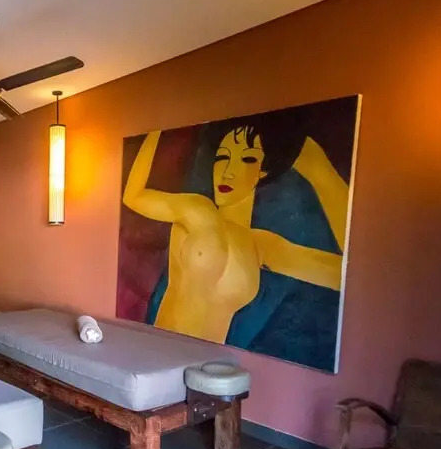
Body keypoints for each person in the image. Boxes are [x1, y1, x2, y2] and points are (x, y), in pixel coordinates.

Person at [122, 120, 348, 344]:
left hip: (206, 363)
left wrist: (319, 170)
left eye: (247, 159)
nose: (227, 172)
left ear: (263, 170)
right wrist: (155, 129)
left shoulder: (261, 246)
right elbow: (133, 196)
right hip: (162, 349)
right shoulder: (197, 211)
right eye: (222, 157)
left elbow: (344, 274)